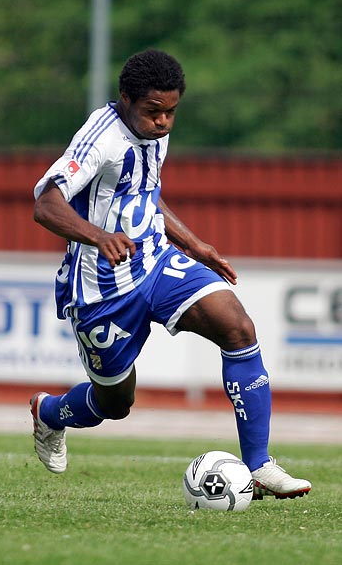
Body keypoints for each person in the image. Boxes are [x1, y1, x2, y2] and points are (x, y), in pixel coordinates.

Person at [30, 48, 311, 500]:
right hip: (101, 289)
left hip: (156, 262)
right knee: (114, 404)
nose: (162, 122)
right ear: (125, 98)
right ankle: (50, 413)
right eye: (153, 112)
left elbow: (146, 193)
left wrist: (193, 244)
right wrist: (99, 237)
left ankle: (258, 464)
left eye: (171, 112)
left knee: (237, 327)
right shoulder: (100, 138)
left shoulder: (154, 131)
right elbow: (45, 202)